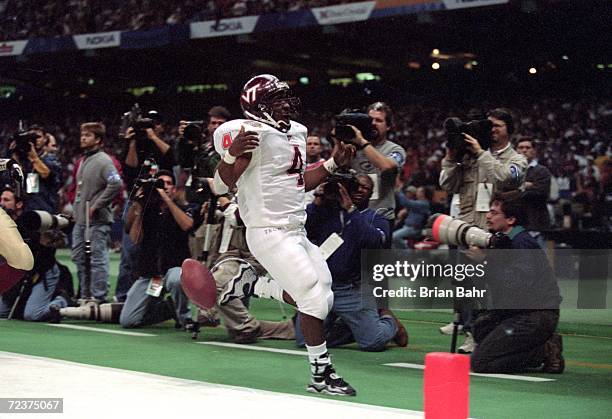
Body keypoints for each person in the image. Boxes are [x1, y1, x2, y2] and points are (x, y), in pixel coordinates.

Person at [212, 74, 356, 396]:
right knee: (310, 294)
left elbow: (298, 179)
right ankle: (321, 373)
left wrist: (333, 164)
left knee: (324, 297)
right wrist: (230, 155)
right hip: (268, 230)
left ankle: (254, 284)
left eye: (286, 98)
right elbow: (221, 186)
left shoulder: (296, 133)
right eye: (277, 100)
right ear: (260, 107)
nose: (287, 104)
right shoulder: (248, 135)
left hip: (296, 229)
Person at [438, 108, 528, 353]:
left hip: (497, 235)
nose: (492, 130)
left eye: (497, 125)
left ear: (509, 129)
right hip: (469, 228)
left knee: (494, 288)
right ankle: (471, 334)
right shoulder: (467, 158)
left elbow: (506, 179)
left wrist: (481, 154)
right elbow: (446, 184)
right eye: (488, 125)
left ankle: (494, 334)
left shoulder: (516, 160)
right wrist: (452, 156)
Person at [298, 174, 407, 351]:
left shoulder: (377, 217)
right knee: (305, 340)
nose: (360, 190)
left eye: (365, 188)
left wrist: (351, 210)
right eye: (357, 186)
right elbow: (303, 230)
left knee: (373, 342)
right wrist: (317, 201)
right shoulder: (326, 212)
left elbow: (374, 241)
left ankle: (389, 323)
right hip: (322, 287)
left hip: (352, 289)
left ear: (371, 194)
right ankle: (352, 329)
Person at [469, 191, 564, 374]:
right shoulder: (503, 241)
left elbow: (515, 283)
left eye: (494, 213)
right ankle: (534, 347)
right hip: (517, 311)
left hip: (535, 315)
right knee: (481, 329)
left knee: (481, 363)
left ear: (511, 219)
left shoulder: (522, 244)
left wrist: (485, 262)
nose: (487, 216)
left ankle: (543, 351)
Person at [201, 195, 295, 343]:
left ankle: (248, 326)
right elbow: (231, 220)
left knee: (218, 285)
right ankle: (284, 329)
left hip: (256, 253)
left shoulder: (265, 190)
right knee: (233, 319)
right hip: (230, 253)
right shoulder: (239, 190)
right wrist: (215, 211)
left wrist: (220, 196)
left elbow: (239, 217)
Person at [120, 170, 195, 328]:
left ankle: (184, 318)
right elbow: (135, 239)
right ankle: (167, 309)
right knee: (128, 320)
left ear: (174, 189)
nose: (164, 187)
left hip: (173, 268)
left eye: (168, 183)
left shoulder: (182, 208)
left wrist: (167, 200)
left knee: (176, 279)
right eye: (160, 183)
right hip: (151, 273)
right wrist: (138, 206)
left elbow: (187, 225)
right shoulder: (148, 210)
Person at [115, 110, 173, 302]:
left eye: (154, 124)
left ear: (160, 127)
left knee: (157, 249)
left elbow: (172, 157)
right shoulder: (135, 144)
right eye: (147, 125)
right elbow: (130, 168)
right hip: (137, 200)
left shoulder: (161, 144)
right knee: (130, 251)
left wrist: (153, 137)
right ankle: (124, 296)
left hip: (161, 203)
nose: (150, 128)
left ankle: (154, 298)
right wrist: (131, 141)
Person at [0, 188, 70, 321]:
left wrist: (43, 243)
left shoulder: (34, 221)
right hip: (18, 272)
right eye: (1, 199)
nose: (1, 203)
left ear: (19, 204)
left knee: (32, 315)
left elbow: (50, 253)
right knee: (2, 312)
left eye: (6, 200)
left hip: (43, 272)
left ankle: (61, 300)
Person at [71, 122, 122, 302]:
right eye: (82, 135)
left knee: (96, 258)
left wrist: (97, 205)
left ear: (98, 139)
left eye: (88, 135)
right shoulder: (84, 159)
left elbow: (116, 183)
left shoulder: (104, 160)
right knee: (79, 257)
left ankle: (98, 296)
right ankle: (85, 294)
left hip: (97, 220)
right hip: (81, 219)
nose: (83, 138)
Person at [350, 102, 406, 246]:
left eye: (379, 120)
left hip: (380, 217)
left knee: (375, 265)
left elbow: (386, 166)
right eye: (370, 120)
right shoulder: (353, 147)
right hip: (353, 214)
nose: (373, 123)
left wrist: (362, 142)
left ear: (388, 126)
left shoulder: (396, 149)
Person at [8, 125, 62, 213]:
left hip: (46, 208)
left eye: (38, 137)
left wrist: (34, 158)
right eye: (31, 137)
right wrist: (14, 155)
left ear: (45, 139)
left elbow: (49, 177)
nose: (35, 140)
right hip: (28, 208)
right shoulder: (25, 160)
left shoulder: (51, 158)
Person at [516, 137, 551, 246]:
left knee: (538, 261)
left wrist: (517, 189)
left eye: (527, 147)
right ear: (516, 151)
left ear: (534, 151)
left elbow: (540, 193)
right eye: (521, 148)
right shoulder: (510, 170)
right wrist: (527, 185)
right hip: (516, 226)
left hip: (536, 225)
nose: (524, 150)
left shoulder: (542, 171)